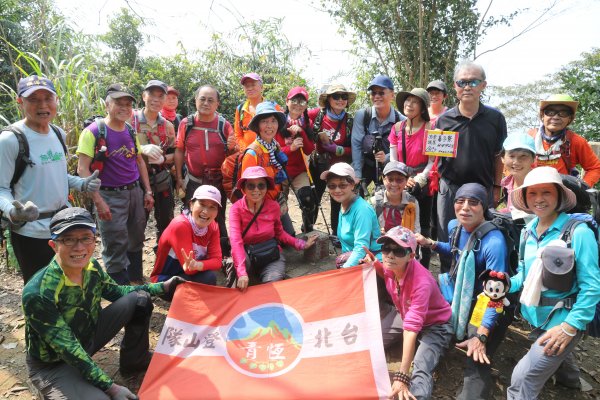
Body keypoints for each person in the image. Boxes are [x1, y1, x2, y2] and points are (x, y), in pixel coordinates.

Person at [22, 207, 184, 399]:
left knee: (139, 299)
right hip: (54, 363)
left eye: (85, 238)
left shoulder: (91, 267)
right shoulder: (38, 293)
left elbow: (117, 292)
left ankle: (134, 360)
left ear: (94, 240)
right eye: (69, 239)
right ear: (53, 245)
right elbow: (68, 348)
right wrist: (111, 388)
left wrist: (162, 287)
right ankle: (51, 389)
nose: (79, 247)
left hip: (87, 338)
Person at [506, 167, 600, 398]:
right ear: (525, 199)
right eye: (532, 193)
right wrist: (506, 284)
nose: (539, 199)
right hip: (535, 317)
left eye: (546, 192)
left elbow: (592, 286)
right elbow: (524, 275)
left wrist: (569, 328)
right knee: (556, 353)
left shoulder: (578, 233)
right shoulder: (528, 231)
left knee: (522, 378)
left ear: (559, 194)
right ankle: (570, 382)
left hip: (562, 320)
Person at [0, 75, 101, 283]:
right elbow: (1, 188)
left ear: (56, 100)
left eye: (48, 98)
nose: (42, 105)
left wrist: (81, 184)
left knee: (68, 283)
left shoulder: (57, 133)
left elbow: (56, 174)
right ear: (21, 102)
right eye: (34, 99)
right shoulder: (10, 140)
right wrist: (13, 211)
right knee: (39, 290)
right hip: (31, 232)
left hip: (63, 228)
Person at [416, 183, 512, 400]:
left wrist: (482, 334)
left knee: (475, 350)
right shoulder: (454, 226)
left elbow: (496, 294)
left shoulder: (494, 242)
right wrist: (430, 243)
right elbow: (454, 249)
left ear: (484, 206)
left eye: (474, 202)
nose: (465, 208)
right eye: (460, 201)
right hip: (459, 293)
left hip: (486, 302)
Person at [77, 83, 154, 285]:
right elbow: (82, 169)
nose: (124, 108)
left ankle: (135, 278)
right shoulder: (94, 131)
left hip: (134, 191)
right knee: (115, 240)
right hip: (109, 194)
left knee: (136, 235)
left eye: (128, 104)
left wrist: (147, 191)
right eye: (119, 103)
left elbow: (139, 161)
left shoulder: (129, 130)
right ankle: (118, 288)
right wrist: (98, 200)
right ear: (107, 105)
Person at [364, 226, 453, 400]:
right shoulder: (391, 267)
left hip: (436, 325)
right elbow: (386, 274)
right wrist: (375, 264)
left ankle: (418, 396)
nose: (390, 254)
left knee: (420, 367)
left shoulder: (422, 283)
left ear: (411, 256)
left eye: (398, 251)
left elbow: (411, 328)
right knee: (371, 343)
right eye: (386, 248)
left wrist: (402, 375)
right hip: (404, 314)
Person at [435, 61, 507, 273]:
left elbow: (498, 157)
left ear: (483, 85)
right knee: (446, 234)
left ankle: (480, 281)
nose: (467, 87)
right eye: (462, 82)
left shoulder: (495, 119)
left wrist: (495, 187)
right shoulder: (443, 120)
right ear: (455, 86)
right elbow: (436, 158)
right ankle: (448, 279)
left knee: (483, 235)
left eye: (473, 82)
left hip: (482, 188)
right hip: (450, 187)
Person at [229, 167, 316, 292]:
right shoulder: (236, 209)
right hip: (246, 255)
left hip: (270, 254)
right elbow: (236, 241)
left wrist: (301, 244)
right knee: (236, 270)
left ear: (266, 188)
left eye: (261, 186)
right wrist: (242, 272)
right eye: (251, 186)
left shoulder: (273, 206)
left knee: (272, 284)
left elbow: (280, 233)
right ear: (243, 188)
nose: (256, 190)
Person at [175, 85, 235, 255]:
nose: (206, 103)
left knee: (218, 217)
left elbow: (234, 152)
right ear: (195, 101)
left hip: (217, 182)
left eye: (211, 100)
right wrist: (179, 177)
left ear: (217, 104)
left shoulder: (224, 125)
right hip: (194, 181)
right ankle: (192, 253)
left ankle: (221, 255)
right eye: (202, 99)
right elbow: (179, 150)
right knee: (191, 217)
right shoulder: (186, 124)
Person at [389, 88, 435, 268]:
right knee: (399, 221)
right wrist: (403, 177)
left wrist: (419, 179)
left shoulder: (431, 129)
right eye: (407, 100)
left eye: (415, 101)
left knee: (423, 224)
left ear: (422, 107)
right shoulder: (397, 128)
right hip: (401, 179)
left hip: (423, 182)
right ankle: (401, 262)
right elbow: (393, 158)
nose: (409, 104)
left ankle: (423, 266)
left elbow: (433, 161)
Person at [150, 185, 222, 292]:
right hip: (163, 280)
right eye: (202, 204)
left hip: (188, 275)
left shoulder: (213, 227)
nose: (206, 212)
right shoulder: (180, 225)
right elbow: (189, 270)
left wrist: (198, 265)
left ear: (217, 212)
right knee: (208, 279)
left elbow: (217, 261)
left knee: (209, 278)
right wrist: (200, 266)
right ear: (191, 205)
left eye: (212, 207)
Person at [307, 84, 356, 235]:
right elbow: (299, 118)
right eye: (336, 96)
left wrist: (339, 149)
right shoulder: (317, 115)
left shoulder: (350, 122)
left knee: (337, 201)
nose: (340, 100)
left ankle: (336, 233)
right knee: (314, 198)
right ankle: (308, 230)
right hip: (319, 165)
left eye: (343, 97)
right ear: (328, 99)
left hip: (340, 168)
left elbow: (355, 148)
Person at [132, 79, 176, 244]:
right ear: (144, 96)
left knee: (166, 222)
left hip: (161, 179)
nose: (156, 100)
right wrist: (141, 149)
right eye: (152, 95)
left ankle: (162, 259)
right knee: (137, 224)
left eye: (160, 96)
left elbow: (176, 155)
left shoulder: (168, 126)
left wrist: (163, 158)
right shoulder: (131, 120)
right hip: (135, 180)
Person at [240, 101, 294, 235]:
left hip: (277, 202)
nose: (269, 126)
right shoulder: (252, 153)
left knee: (289, 236)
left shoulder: (275, 147)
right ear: (258, 126)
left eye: (273, 121)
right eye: (264, 121)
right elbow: (247, 191)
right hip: (259, 208)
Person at [529, 94, 600, 187]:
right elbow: (512, 161)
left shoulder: (576, 141)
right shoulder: (529, 138)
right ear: (542, 115)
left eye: (563, 113)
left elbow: (595, 168)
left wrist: (583, 187)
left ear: (570, 118)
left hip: (565, 195)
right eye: (550, 112)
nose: (555, 117)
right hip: (532, 191)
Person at [321, 162, 382, 268]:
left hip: (370, 263)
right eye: (332, 186)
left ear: (352, 185)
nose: (337, 190)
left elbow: (361, 248)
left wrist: (343, 273)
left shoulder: (362, 210)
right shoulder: (344, 203)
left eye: (342, 185)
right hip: (354, 260)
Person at [352, 75, 404, 193]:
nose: (376, 96)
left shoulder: (401, 121)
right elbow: (357, 145)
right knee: (351, 194)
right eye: (373, 93)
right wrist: (357, 175)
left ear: (392, 95)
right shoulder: (363, 115)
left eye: (381, 93)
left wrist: (386, 158)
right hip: (366, 163)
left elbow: (402, 150)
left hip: (390, 165)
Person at [275, 86, 316, 233]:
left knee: (307, 199)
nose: (298, 105)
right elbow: (274, 150)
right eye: (294, 100)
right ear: (287, 102)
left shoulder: (307, 123)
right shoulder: (277, 122)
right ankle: (283, 233)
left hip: (299, 171)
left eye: (302, 102)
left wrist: (302, 133)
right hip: (281, 170)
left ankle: (307, 229)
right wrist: (290, 149)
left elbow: (309, 149)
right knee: (279, 205)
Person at [234, 72, 283, 151]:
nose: (250, 88)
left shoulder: (273, 106)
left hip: (269, 153)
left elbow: (280, 130)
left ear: (261, 87)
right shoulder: (240, 109)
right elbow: (238, 135)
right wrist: (246, 150)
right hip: (248, 154)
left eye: (253, 85)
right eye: (247, 86)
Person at [370, 161, 420, 234]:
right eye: (390, 179)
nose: (394, 184)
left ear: (406, 180)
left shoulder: (412, 202)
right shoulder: (374, 202)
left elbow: (416, 231)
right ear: (383, 179)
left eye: (399, 180)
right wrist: (376, 232)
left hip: (406, 242)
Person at [499, 133, 536, 219]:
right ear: (502, 158)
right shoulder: (506, 183)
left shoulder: (542, 183)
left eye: (523, 156)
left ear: (534, 159)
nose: (516, 161)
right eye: (511, 156)